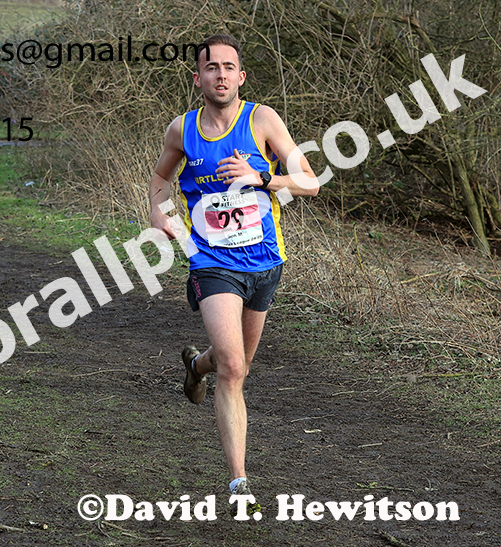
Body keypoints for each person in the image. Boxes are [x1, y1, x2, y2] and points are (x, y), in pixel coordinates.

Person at [148, 34, 319, 513]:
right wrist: (161, 216)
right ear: (198, 77)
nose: (221, 74)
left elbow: (310, 181)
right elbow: (161, 179)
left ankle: (195, 366)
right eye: (211, 67)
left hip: (265, 262)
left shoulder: (261, 120)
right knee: (235, 368)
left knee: (235, 363)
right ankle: (239, 483)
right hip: (210, 261)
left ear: (241, 76)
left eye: (229, 67)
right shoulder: (182, 130)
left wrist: (261, 177)